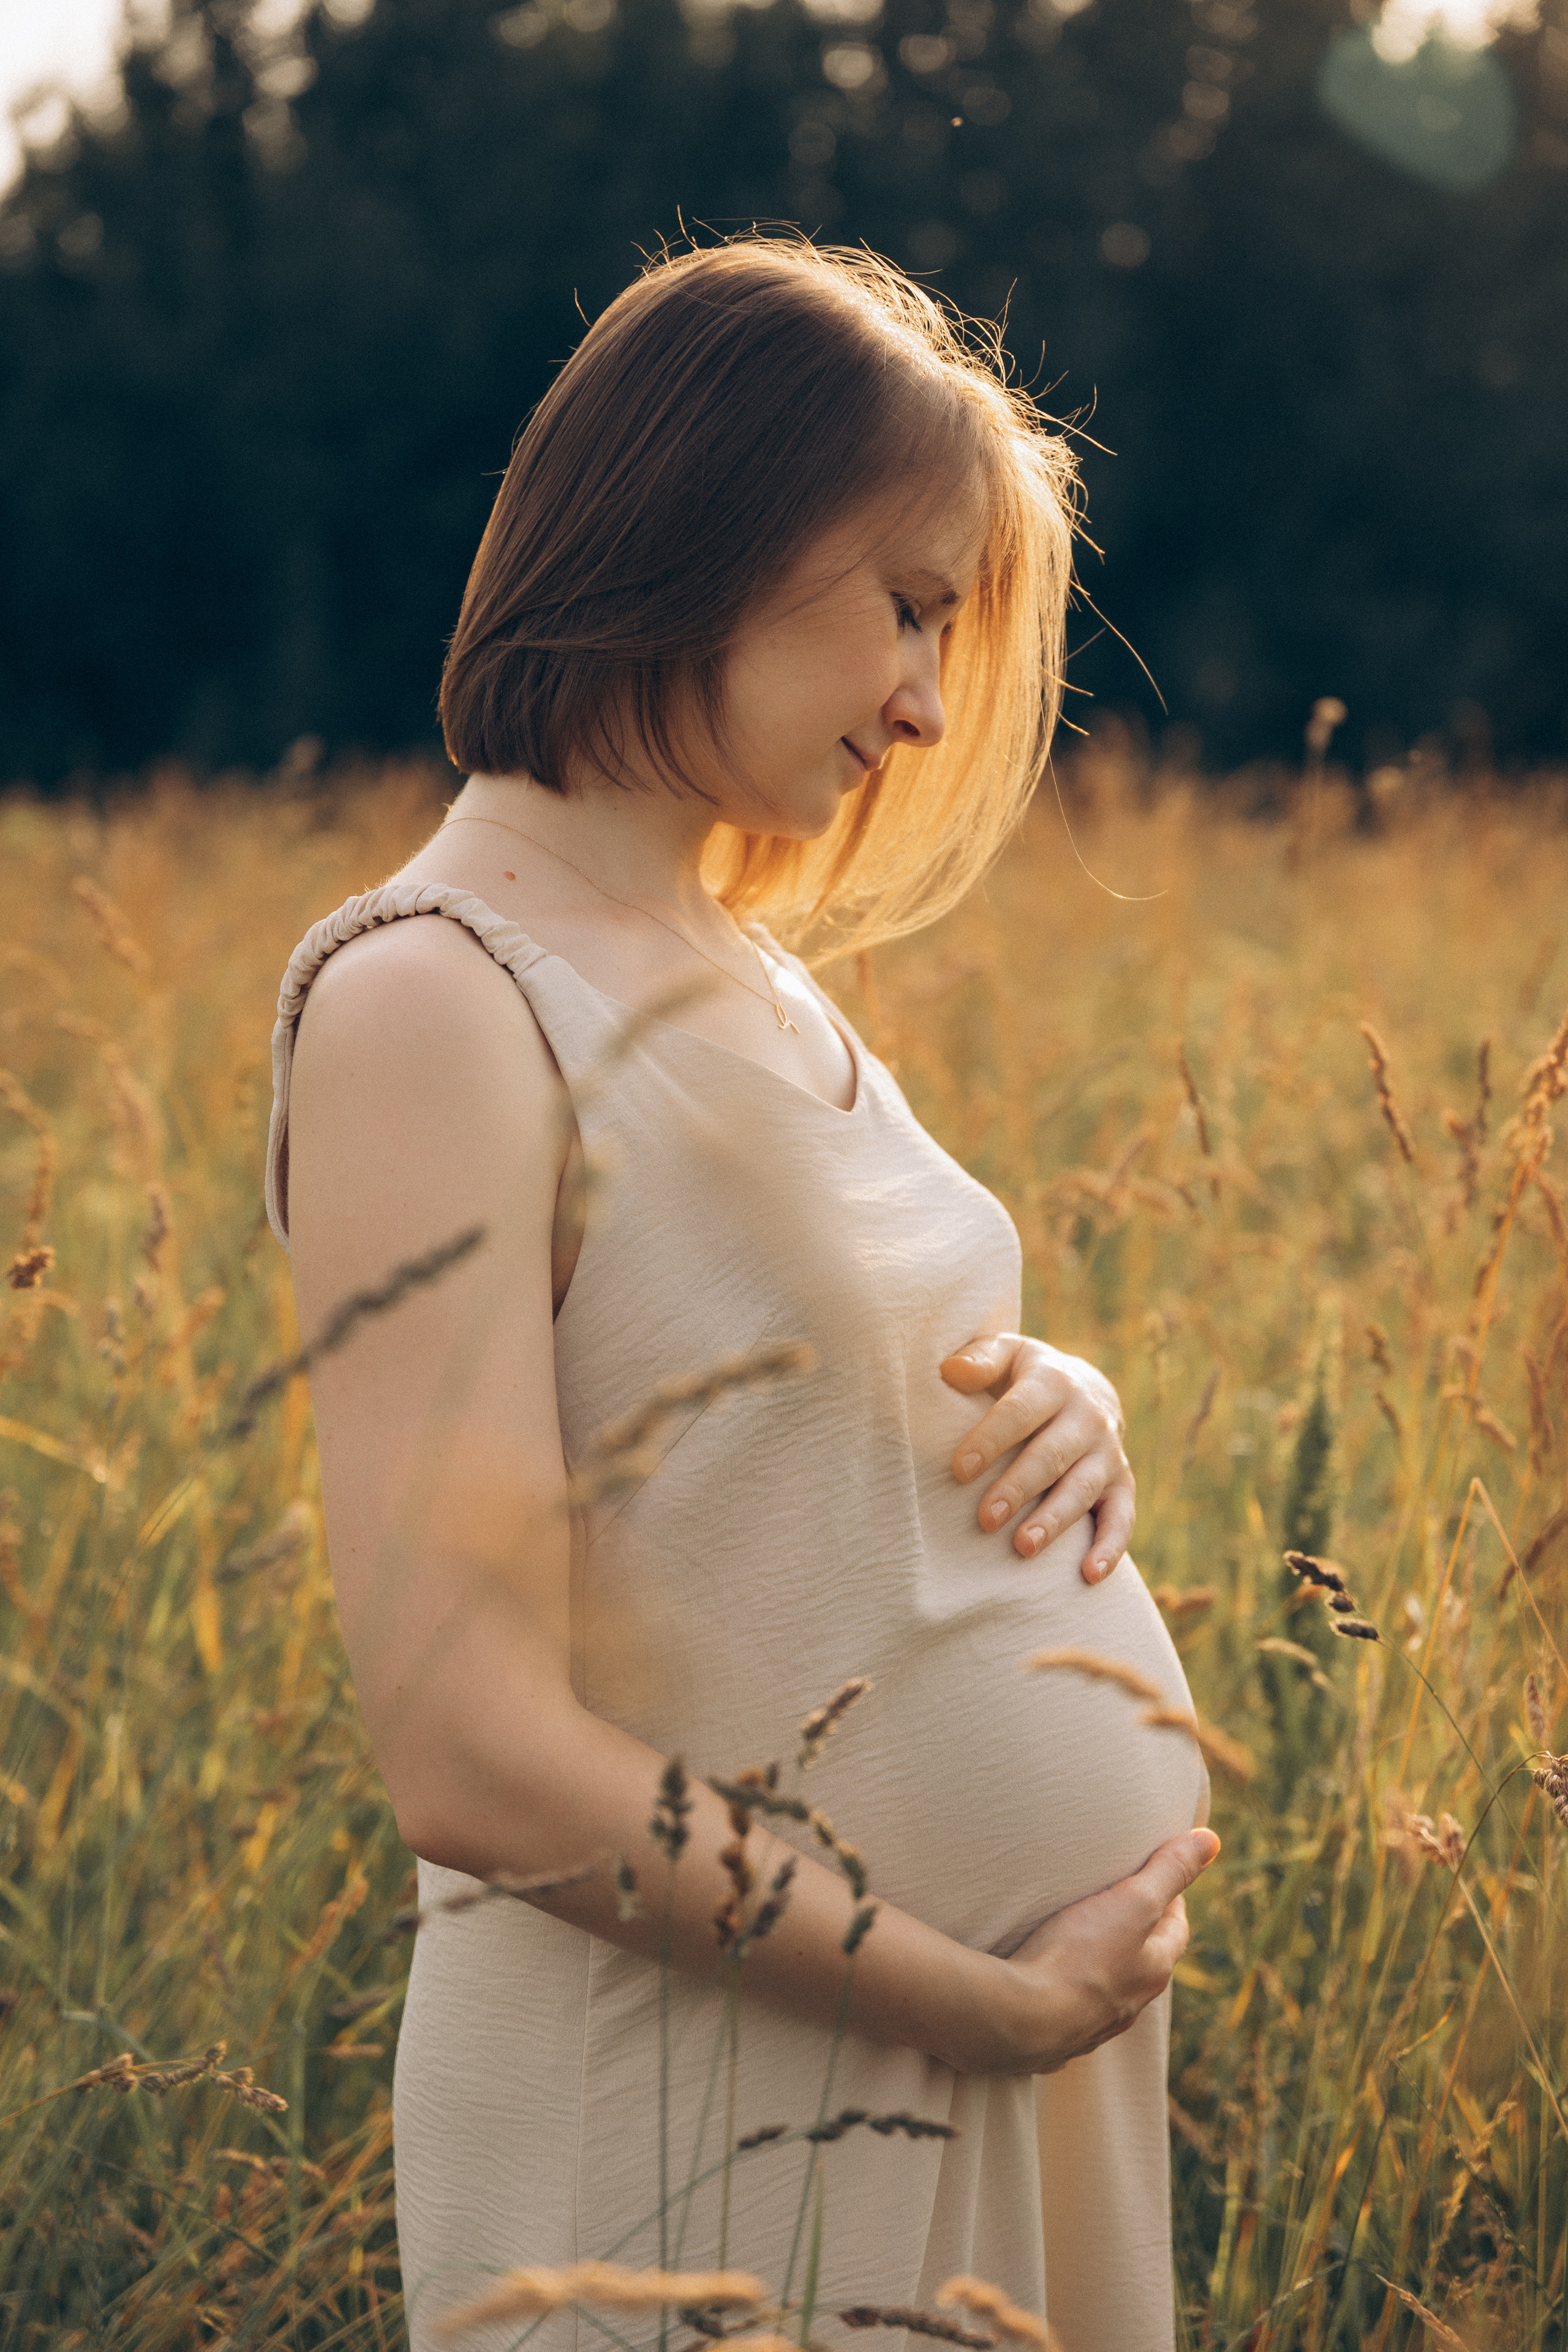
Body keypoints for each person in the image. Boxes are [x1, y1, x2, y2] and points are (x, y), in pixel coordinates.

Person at [265, 238, 1218, 2352]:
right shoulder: (433, 1000)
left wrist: (1065, 1399)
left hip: (953, 2096)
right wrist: (978, 1996)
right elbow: (473, 1755)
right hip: (710, 2133)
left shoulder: (745, 976)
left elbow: (766, 1407)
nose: (927, 706)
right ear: (709, 526)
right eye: (908, 607)